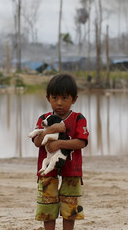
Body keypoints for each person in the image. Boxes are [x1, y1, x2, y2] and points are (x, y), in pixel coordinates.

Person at [31, 73, 89, 230]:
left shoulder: (78, 118)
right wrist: (51, 129)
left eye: (64, 98)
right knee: (47, 205)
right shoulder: (44, 118)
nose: (59, 103)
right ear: (48, 98)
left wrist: (59, 144)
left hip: (72, 168)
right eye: (55, 98)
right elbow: (37, 142)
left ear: (74, 99)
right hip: (47, 170)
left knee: (70, 205)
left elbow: (81, 142)